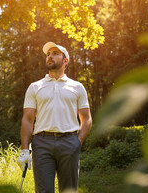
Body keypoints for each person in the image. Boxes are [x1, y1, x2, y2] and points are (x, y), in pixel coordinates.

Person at [17, 42, 92, 193]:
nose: (50, 56)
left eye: (55, 53)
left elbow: (86, 118)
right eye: (48, 54)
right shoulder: (35, 87)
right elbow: (28, 119)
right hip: (42, 143)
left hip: (69, 142)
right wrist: (24, 150)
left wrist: (78, 141)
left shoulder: (77, 87)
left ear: (65, 61)